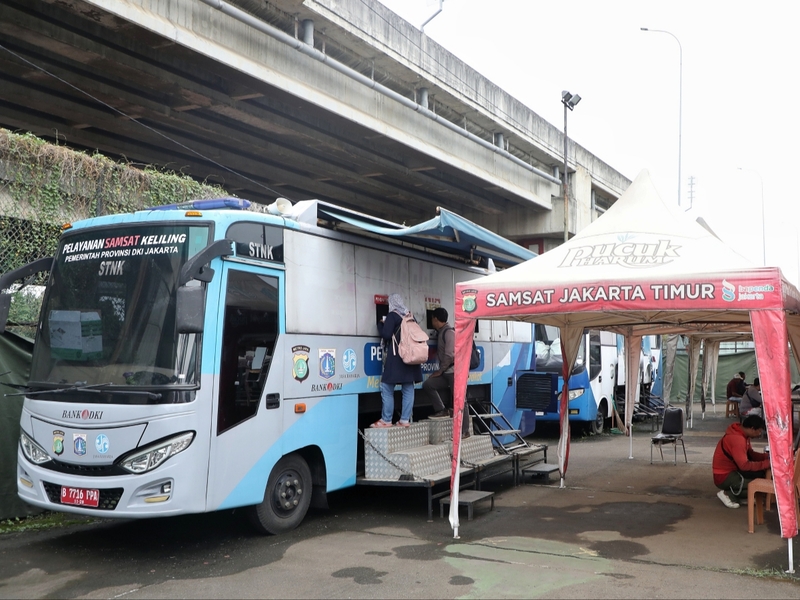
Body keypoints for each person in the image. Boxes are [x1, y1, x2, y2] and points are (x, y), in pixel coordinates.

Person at [371, 293, 423, 428]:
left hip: (397, 357)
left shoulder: (392, 316)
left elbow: (387, 335)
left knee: (387, 387)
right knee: (408, 387)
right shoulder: (410, 316)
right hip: (411, 358)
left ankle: (386, 420)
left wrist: (381, 324)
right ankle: (405, 420)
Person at [419, 308, 469, 436]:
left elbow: (450, 355)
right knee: (428, 384)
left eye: (432, 319)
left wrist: (440, 371)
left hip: (454, 372)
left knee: (460, 400)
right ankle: (441, 410)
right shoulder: (441, 332)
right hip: (447, 373)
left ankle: (465, 431)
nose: (432, 322)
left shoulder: (449, 333)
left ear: (436, 319)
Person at [712, 414, 770, 509]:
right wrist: (766, 464)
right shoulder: (737, 439)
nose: (760, 434)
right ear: (752, 429)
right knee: (761, 486)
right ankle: (728, 494)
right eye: (759, 431)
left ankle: (737, 494)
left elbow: (750, 454)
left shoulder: (741, 433)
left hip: (731, 472)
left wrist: (767, 457)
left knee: (761, 480)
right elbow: (744, 465)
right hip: (723, 476)